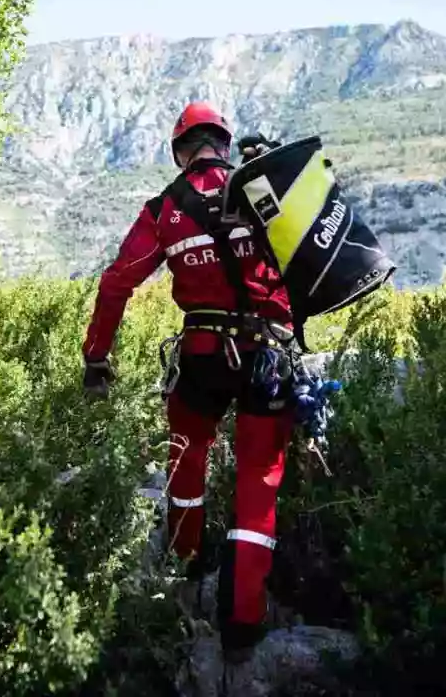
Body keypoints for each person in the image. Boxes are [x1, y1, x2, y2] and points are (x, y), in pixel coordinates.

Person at [81, 100, 295, 663]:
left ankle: (187, 560)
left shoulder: (165, 208)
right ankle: (243, 623)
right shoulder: (262, 191)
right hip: (269, 356)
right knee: (259, 481)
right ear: (223, 146)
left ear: (181, 151)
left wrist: (96, 359)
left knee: (186, 457)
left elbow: (116, 283)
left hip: (200, 354)